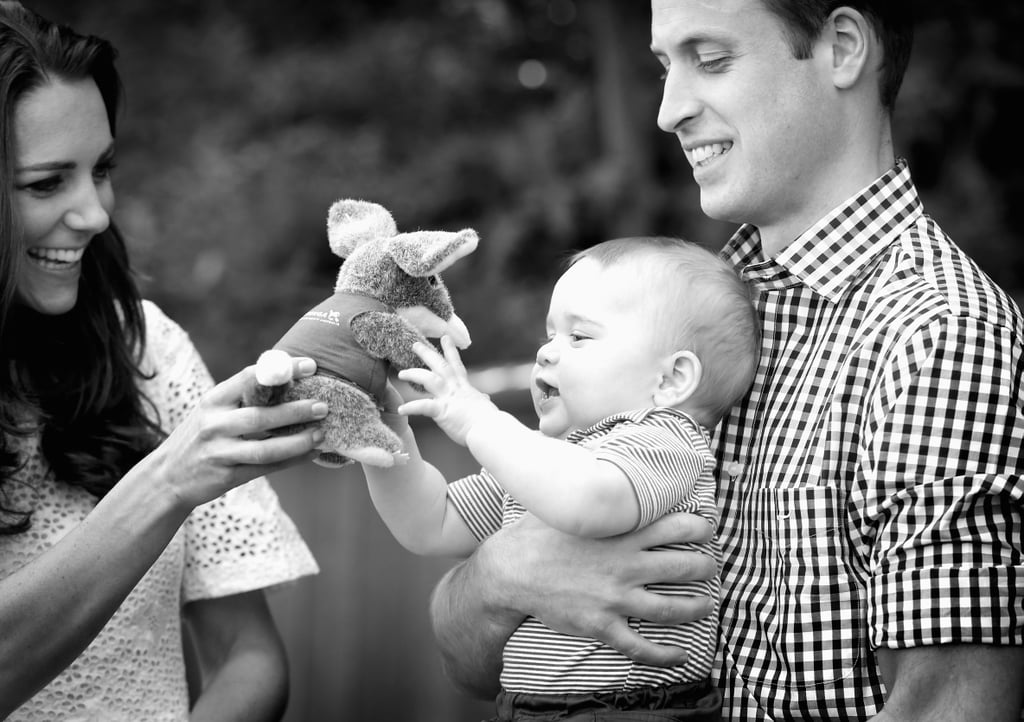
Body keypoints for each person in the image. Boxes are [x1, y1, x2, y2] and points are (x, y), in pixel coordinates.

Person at [428, 1, 1024, 720]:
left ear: (840, 48)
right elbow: (466, 659)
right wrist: (502, 574)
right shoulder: (669, 314)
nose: (668, 110)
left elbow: (948, 708)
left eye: (710, 59)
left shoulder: (935, 333)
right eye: (663, 66)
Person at [0, 3, 326, 719]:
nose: (94, 213)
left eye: (102, 169)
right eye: (47, 183)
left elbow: (248, 657)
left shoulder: (145, 346)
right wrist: (165, 483)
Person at [365, 236, 758, 720]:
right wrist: (385, 437)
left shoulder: (666, 442)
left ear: (671, 380)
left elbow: (586, 502)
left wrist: (479, 420)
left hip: (633, 710)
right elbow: (430, 523)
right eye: (550, 334)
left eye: (580, 337)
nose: (546, 354)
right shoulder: (550, 457)